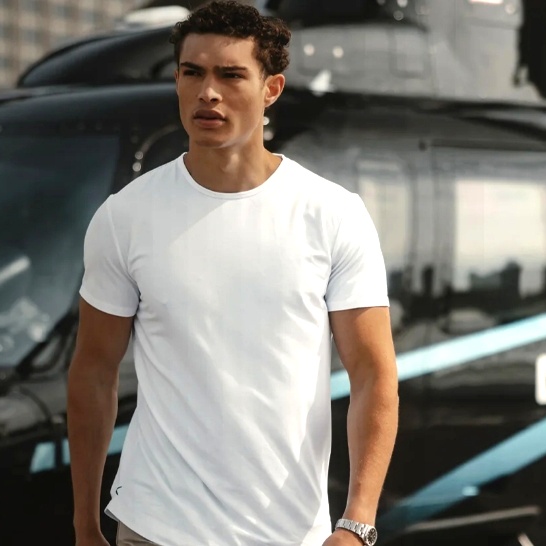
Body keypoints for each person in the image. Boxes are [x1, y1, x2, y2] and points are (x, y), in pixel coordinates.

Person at [67, 1, 399, 545]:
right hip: (155, 526)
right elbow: (93, 373)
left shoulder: (332, 214)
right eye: (192, 73)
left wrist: (357, 523)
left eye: (230, 75)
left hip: (290, 531)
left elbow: (372, 374)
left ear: (271, 89)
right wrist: (84, 524)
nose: (208, 92)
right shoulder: (124, 217)